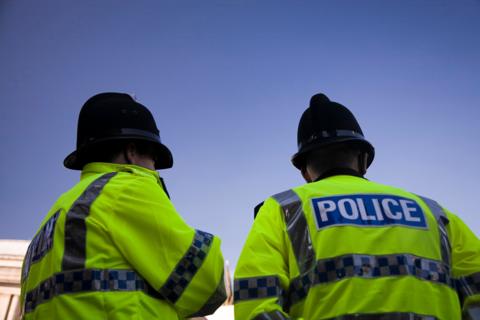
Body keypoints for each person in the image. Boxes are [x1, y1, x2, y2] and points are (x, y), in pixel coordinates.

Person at [234, 93, 480, 320]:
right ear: (363, 159)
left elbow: (255, 302)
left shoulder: (283, 209)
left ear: (304, 171)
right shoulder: (434, 213)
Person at [20, 92, 226, 319]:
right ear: (132, 152)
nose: (155, 170)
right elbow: (207, 285)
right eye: (154, 160)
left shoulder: (55, 217)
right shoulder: (125, 188)